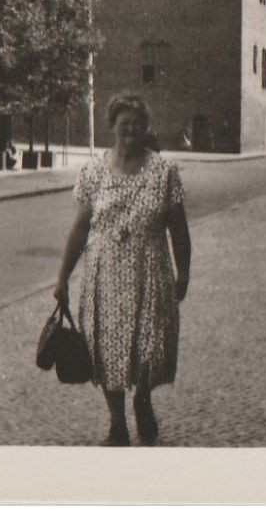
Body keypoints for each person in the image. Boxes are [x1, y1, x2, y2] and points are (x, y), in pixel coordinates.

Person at [55, 93, 191, 446]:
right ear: (113, 127)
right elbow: (80, 228)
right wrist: (62, 277)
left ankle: (142, 398)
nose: (131, 128)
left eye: (137, 123)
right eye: (124, 123)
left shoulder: (164, 172)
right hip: (105, 276)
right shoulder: (95, 172)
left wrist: (184, 272)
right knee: (106, 350)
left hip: (151, 273)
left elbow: (178, 228)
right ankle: (117, 423)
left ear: (146, 127)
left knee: (149, 347)